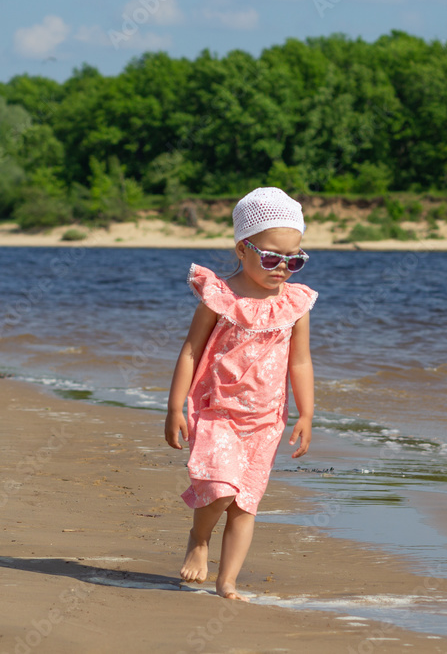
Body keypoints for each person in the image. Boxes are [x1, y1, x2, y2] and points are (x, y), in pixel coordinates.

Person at [164, 187, 317, 601]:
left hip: (267, 420)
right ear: (242, 249)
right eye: (271, 258)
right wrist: (174, 405)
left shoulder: (296, 305)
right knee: (222, 487)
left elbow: (300, 362)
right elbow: (191, 351)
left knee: (245, 502)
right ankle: (199, 539)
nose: (282, 268)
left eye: (294, 260)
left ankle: (227, 581)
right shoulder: (220, 297)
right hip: (218, 411)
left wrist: (306, 414)